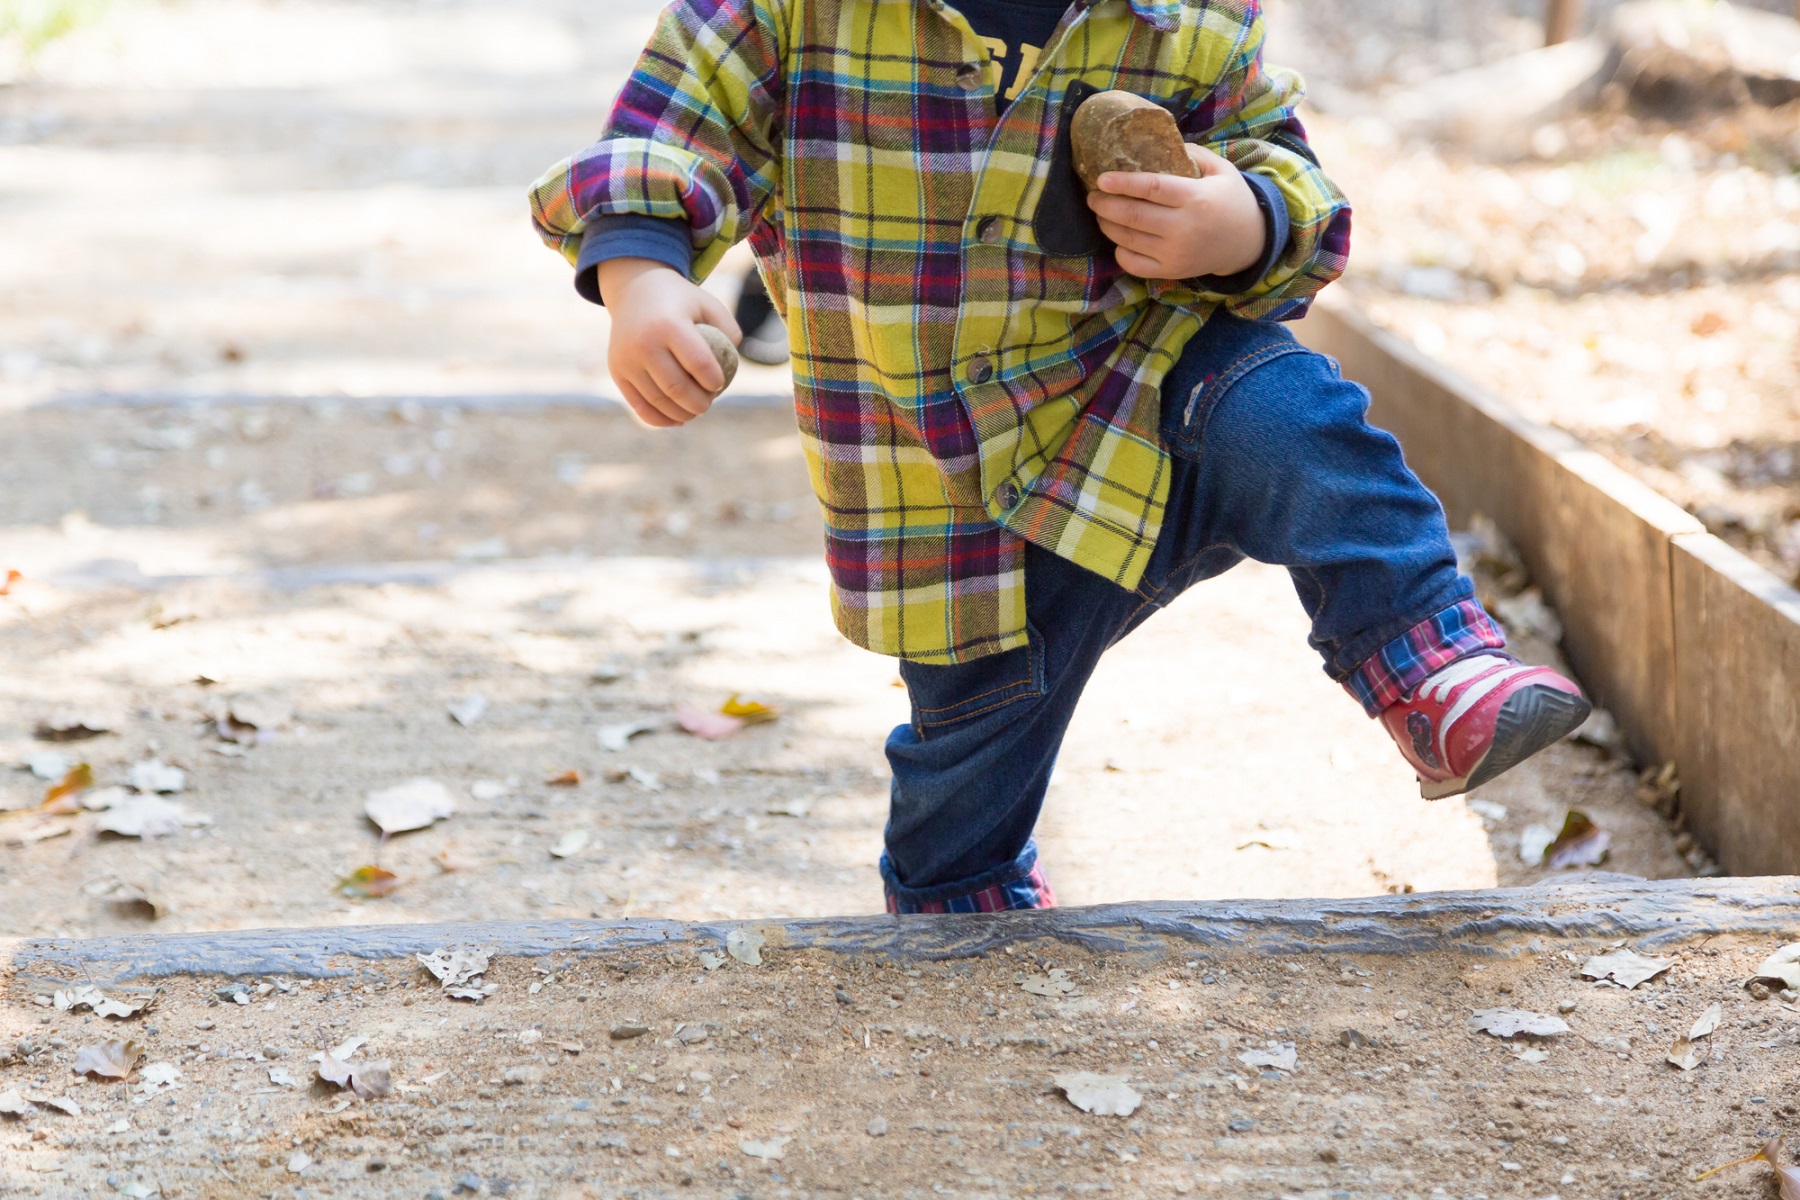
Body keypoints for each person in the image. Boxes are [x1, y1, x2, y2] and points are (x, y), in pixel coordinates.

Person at [528, 0, 1590, 915]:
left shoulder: (1190, 21)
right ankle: (960, 889)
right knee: (961, 813)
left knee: (1294, 412)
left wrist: (1242, 221)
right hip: (945, 518)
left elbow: (1290, 180)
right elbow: (673, 123)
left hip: (1141, 406)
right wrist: (643, 277)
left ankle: (1428, 658)